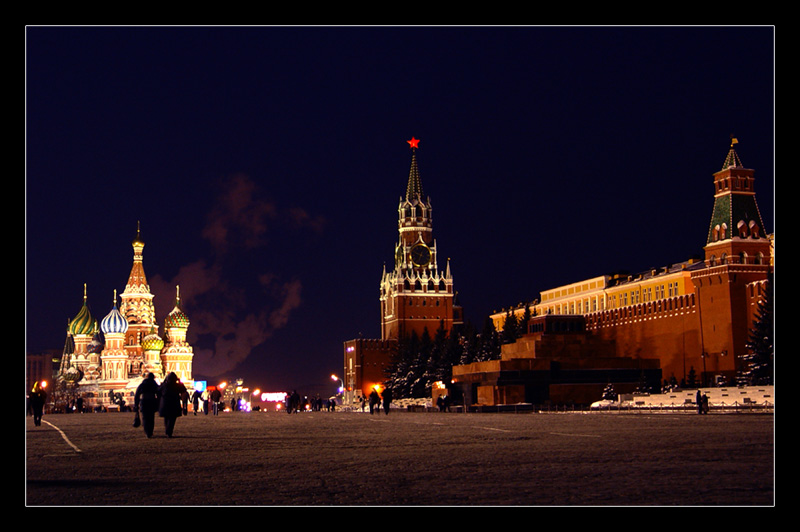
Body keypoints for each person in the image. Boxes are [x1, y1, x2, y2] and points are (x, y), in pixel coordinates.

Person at [134, 372, 160, 438]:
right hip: (152, 402)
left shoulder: (142, 384)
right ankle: (150, 432)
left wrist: (136, 404)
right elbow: (158, 393)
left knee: (145, 417)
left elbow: (137, 394)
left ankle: (147, 431)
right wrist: (158, 402)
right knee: (151, 418)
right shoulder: (154, 384)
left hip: (144, 401)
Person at [159, 372, 184, 437]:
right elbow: (183, 389)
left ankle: (167, 430)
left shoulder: (164, 385)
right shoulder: (177, 385)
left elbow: (158, 390)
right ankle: (169, 432)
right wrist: (180, 381)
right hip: (174, 403)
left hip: (165, 403)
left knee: (166, 418)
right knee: (172, 419)